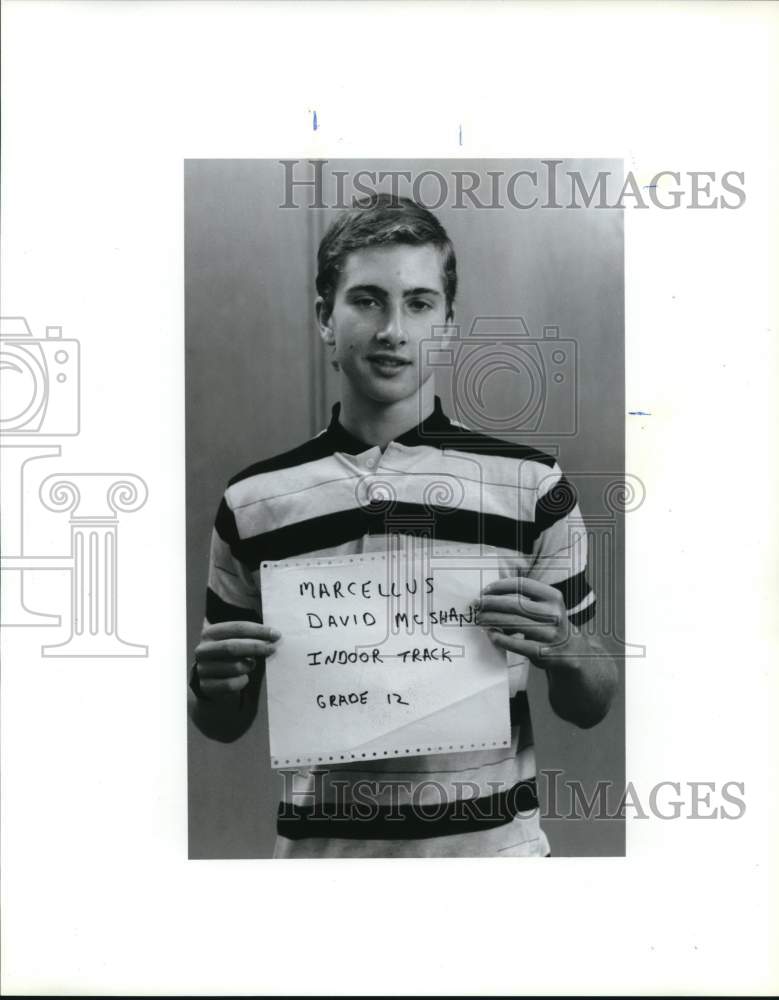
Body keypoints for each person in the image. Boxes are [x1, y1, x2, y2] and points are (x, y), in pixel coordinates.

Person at [188, 194, 618, 858]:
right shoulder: (253, 501)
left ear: (447, 324)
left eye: (418, 303)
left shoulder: (533, 485)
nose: (393, 330)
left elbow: (591, 703)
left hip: (493, 866)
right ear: (324, 318)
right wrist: (213, 684)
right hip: (324, 869)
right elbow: (222, 722)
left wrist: (566, 647)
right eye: (367, 300)